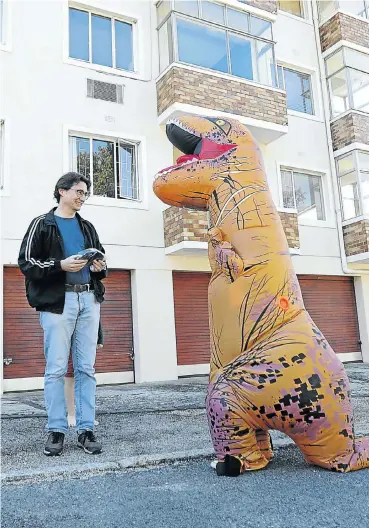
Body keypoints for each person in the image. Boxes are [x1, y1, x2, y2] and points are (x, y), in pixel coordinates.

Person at [18, 172, 107, 456]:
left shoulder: (88, 227)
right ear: (62, 191)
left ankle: (86, 429)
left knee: (86, 369)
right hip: (59, 303)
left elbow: (102, 263)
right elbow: (27, 263)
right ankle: (56, 429)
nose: (82, 197)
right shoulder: (42, 224)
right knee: (55, 369)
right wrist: (60, 265)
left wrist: (98, 267)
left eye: (85, 194)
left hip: (88, 300)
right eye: (79, 192)